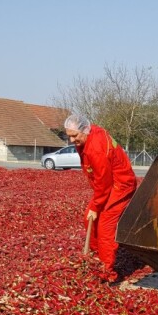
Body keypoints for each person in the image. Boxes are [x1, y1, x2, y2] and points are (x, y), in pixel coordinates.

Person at [64, 114, 138, 278]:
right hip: (109, 183)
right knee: (89, 218)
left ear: (85, 130)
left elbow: (104, 183)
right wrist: (95, 207)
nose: (71, 140)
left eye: (74, 136)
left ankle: (106, 271)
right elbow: (100, 180)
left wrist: (97, 206)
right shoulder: (89, 136)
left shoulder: (95, 148)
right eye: (68, 136)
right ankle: (97, 256)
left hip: (120, 184)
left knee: (105, 224)